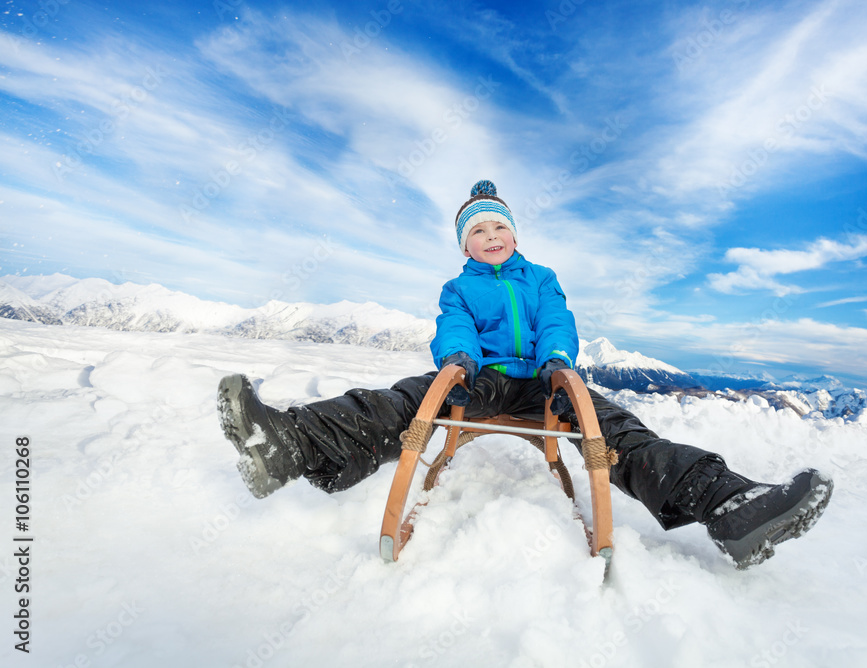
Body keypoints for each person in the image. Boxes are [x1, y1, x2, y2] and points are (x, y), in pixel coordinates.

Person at [217, 180, 833, 570]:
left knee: (615, 430)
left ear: (515, 234)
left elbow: (557, 321)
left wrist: (560, 362)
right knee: (407, 399)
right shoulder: (459, 288)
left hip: (543, 379)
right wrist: (457, 359)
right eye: (478, 230)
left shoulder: (540, 279)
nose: (491, 236)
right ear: (465, 245)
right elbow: (452, 327)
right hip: (479, 376)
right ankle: (290, 444)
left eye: (499, 226)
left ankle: (730, 505)